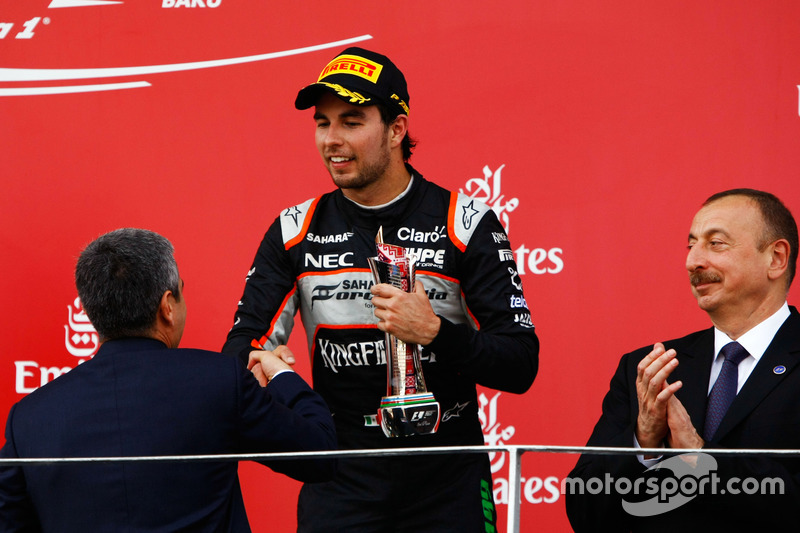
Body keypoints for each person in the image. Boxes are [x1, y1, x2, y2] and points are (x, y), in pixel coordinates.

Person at [222, 47, 539, 532]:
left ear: (397, 129)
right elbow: (240, 348)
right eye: (322, 123)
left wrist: (434, 332)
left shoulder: (465, 222)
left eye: (351, 122)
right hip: (341, 485)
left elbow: (520, 363)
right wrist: (267, 364)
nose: (332, 140)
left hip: (446, 480)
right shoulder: (295, 230)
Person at [0, 228, 336, 532]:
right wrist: (281, 374)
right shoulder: (219, 382)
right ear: (167, 306)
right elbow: (321, 455)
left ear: (89, 313)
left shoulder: (28, 419)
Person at [565, 189, 800, 531]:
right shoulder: (649, 368)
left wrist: (699, 456)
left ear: (776, 258)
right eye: (691, 245)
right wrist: (643, 443)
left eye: (716, 243)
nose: (693, 262)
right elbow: (585, 511)